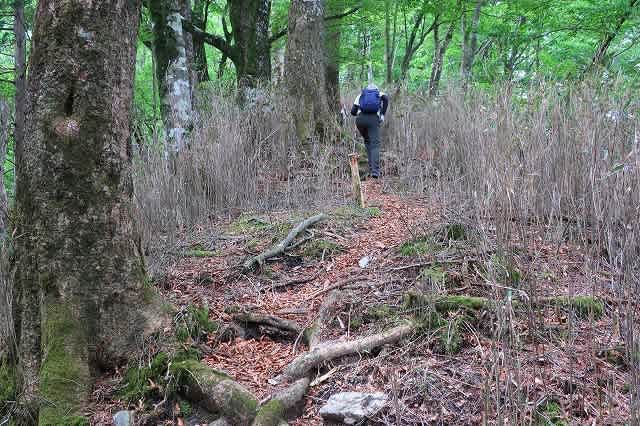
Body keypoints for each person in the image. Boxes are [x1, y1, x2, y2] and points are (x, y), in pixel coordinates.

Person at [350, 83, 389, 180]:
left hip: (360, 120)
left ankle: (371, 166)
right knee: (375, 144)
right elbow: (386, 98)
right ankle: (375, 171)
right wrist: (382, 114)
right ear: (376, 90)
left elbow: (353, 112)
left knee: (367, 141)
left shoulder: (361, 95)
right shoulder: (379, 94)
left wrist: (360, 112)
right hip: (373, 119)